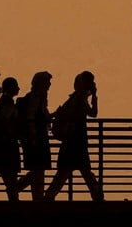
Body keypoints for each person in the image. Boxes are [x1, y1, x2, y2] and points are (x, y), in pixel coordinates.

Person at [44, 70, 104, 201]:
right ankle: (98, 198)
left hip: (70, 141)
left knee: (63, 173)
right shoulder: (80, 98)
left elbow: (64, 113)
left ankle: (48, 197)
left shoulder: (73, 98)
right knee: (85, 172)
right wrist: (94, 96)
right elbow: (93, 113)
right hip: (77, 141)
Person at [13, 71, 52, 200]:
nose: (49, 85)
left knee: (37, 170)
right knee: (39, 170)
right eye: (47, 82)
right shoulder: (37, 97)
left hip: (32, 138)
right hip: (37, 139)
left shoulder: (34, 97)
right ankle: (35, 196)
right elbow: (32, 117)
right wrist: (33, 136)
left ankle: (34, 195)